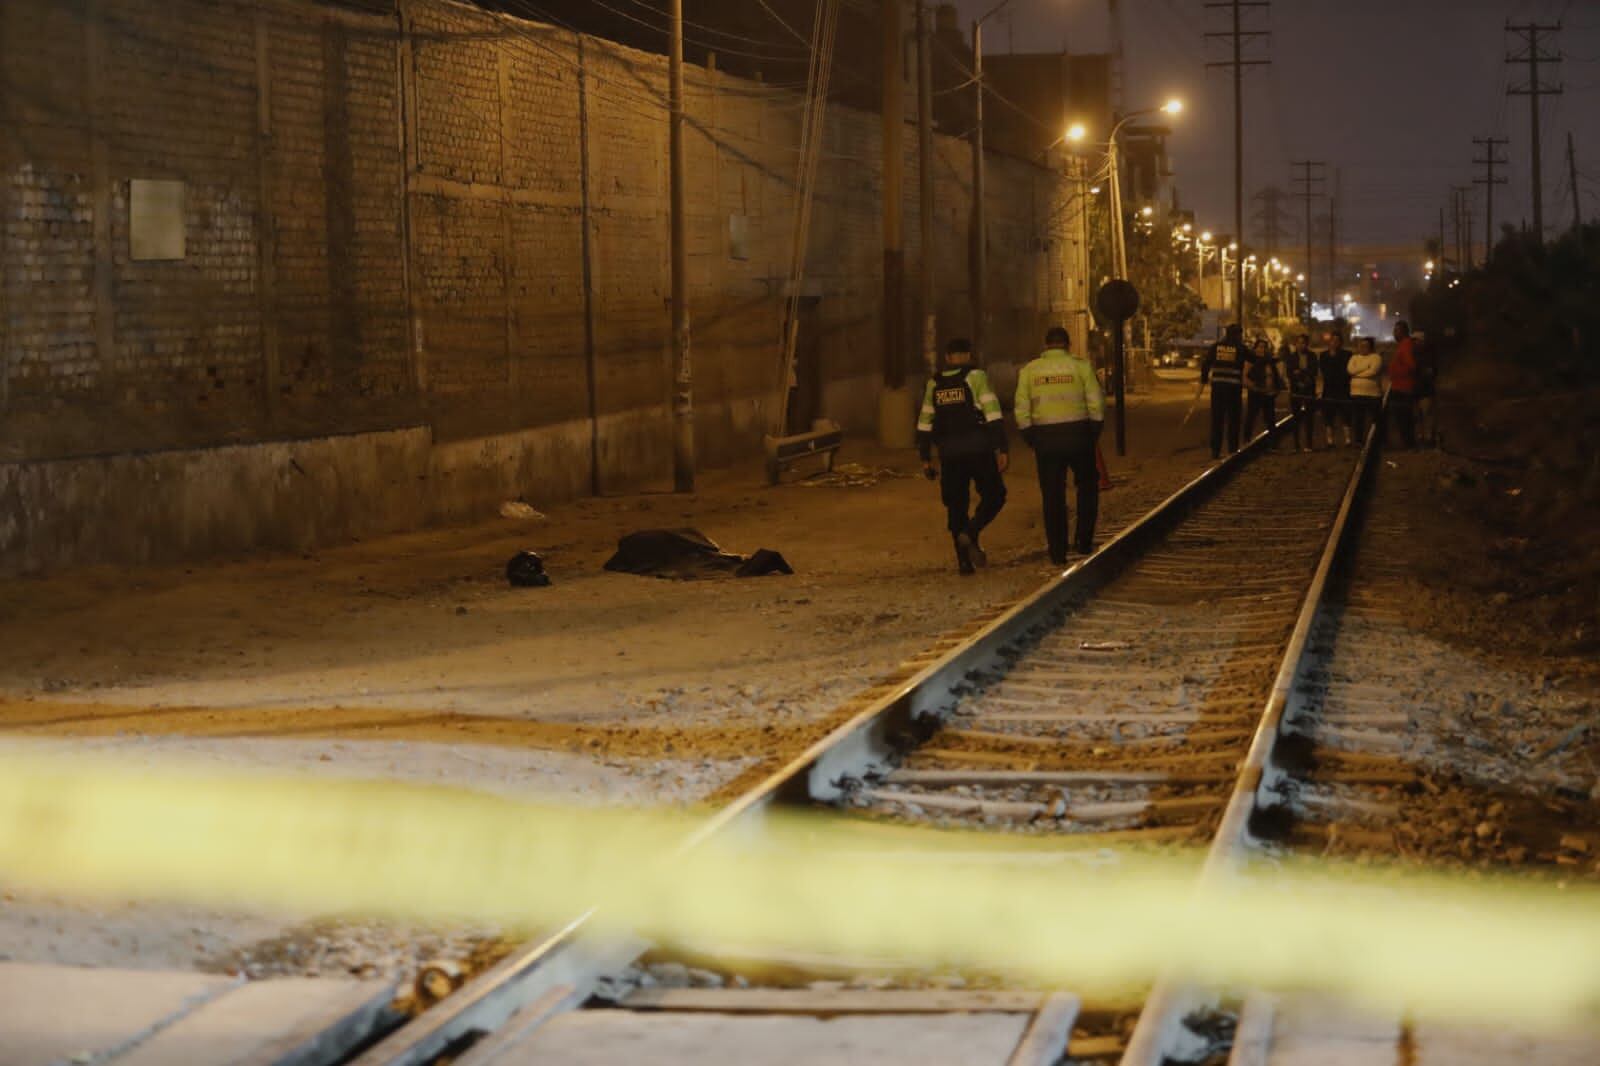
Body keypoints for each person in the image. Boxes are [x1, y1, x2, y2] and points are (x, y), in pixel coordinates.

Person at [917, 337, 1008, 575]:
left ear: (947, 358)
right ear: (969, 356)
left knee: (956, 506)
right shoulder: (976, 377)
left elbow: (925, 422)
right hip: (979, 450)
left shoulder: (933, 383)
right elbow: (993, 414)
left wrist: (925, 457)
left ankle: (964, 564)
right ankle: (972, 531)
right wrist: (1003, 448)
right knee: (996, 495)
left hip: (950, 454)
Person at [1014, 325, 1104, 565]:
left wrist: (1030, 437)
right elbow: (1096, 401)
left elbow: (1021, 408)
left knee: (1052, 495)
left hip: (1045, 438)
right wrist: (1093, 431)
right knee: (1087, 486)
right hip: (1078, 434)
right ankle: (1083, 542)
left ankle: (1057, 552)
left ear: (1046, 346)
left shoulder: (1030, 370)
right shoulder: (1081, 366)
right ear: (1068, 345)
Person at [1198, 323, 1245, 459]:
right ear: (1236, 335)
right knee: (1233, 420)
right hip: (1234, 390)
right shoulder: (1240, 348)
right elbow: (1254, 359)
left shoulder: (1216, 347)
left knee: (1217, 420)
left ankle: (1215, 451)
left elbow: (1206, 364)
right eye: (1240, 334)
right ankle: (1232, 450)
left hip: (1218, 389)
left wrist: (1204, 379)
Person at [1242, 336, 1284, 444]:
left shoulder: (1270, 361)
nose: (1262, 349)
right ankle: (1246, 441)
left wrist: (1276, 389)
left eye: (1264, 347)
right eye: (1259, 347)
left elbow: (1276, 376)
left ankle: (1273, 443)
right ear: (1255, 348)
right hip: (1255, 393)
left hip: (1268, 394)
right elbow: (1244, 377)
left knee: (1270, 419)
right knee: (1251, 417)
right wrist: (1254, 387)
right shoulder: (1250, 360)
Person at [1283, 333, 1320, 452]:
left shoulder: (1312, 356)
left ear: (1307, 344)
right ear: (1295, 344)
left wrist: (1300, 373)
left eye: (1303, 342)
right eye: (1299, 342)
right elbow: (1290, 373)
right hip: (1295, 390)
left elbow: (1313, 372)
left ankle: (1308, 444)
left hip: (1309, 389)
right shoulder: (1291, 357)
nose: (1301, 345)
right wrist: (1299, 377)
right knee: (1295, 418)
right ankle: (1296, 444)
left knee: (1309, 418)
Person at [1386, 320, 1419, 449]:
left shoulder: (1406, 345)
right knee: (1403, 417)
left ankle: (1409, 444)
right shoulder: (1403, 345)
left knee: (1404, 417)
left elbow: (1411, 366)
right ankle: (1408, 443)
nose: (1394, 333)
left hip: (1403, 387)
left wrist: (1396, 372)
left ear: (1404, 332)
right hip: (1400, 386)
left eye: (1396, 331)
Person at [1318, 330, 1353, 447]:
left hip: (1343, 389)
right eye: (1333, 340)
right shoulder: (1323, 355)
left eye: (1337, 341)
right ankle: (1330, 441)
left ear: (1341, 343)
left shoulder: (1347, 355)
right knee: (1328, 416)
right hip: (1329, 390)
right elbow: (1325, 372)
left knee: (1346, 415)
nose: (1334, 343)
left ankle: (1348, 440)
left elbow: (1347, 371)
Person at [1347, 337, 1383, 444]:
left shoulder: (1376, 357)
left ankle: (1377, 440)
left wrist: (1357, 374)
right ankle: (1359, 441)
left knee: (1375, 419)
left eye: (1366, 346)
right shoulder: (1354, 357)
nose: (1363, 348)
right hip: (1356, 393)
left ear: (1371, 347)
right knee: (1358, 419)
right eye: (1361, 345)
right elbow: (1350, 370)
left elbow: (1373, 371)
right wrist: (1365, 367)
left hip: (1373, 394)